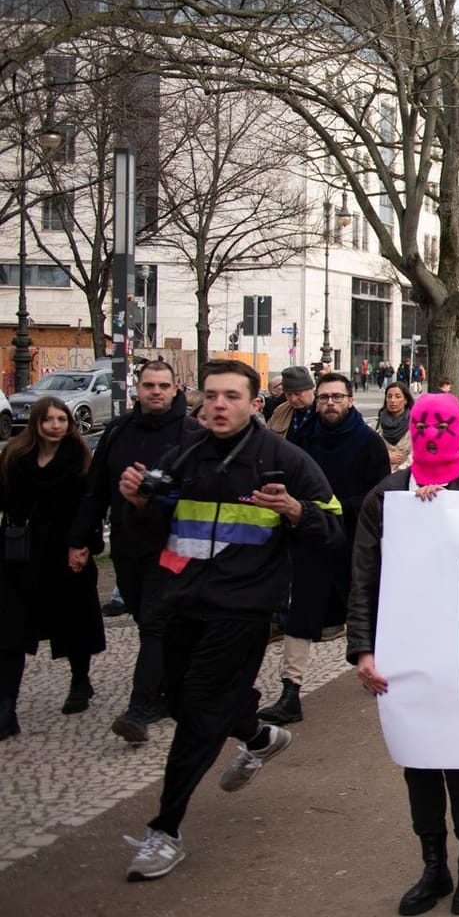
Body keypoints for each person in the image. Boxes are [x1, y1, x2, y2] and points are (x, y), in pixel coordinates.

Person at [119, 359, 344, 882]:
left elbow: (333, 530)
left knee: (197, 713)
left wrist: (294, 511)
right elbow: (154, 526)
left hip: (244, 610)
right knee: (175, 701)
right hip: (180, 601)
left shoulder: (284, 460)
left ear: (253, 403)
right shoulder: (185, 458)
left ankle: (165, 830)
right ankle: (258, 737)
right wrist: (136, 503)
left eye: (231, 397)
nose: (219, 405)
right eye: (211, 396)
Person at [349, 394, 459, 916]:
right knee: (417, 760)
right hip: (404, 648)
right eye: (425, 424)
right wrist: (363, 649)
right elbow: (364, 578)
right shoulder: (385, 497)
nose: (435, 433)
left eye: (445, 424)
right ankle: (433, 863)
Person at [69, 359, 198, 743]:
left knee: (157, 621)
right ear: (137, 389)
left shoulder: (192, 433)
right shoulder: (118, 431)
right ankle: (167, 689)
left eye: (163, 385)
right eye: (148, 385)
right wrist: (79, 540)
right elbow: (94, 490)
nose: (156, 392)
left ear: (175, 389)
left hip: (173, 545)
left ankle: (140, 708)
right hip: (127, 545)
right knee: (147, 620)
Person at [260, 372, 392, 726]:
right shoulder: (303, 438)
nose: (330, 403)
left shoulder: (369, 443)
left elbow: (378, 495)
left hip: (355, 540)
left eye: (337, 397)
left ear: (350, 400)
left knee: (365, 606)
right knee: (301, 612)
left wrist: (337, 507)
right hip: (313, 536)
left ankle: (378, 668)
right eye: (324, 398)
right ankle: (290, 691)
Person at [1, 398, 105, 740]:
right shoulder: (15, 458)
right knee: (11, 631)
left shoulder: (79, 462)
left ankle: (80, 681)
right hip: (22, 556)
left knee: (74, 621)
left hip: (66, 552)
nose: (56, 425)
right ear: (36, 423)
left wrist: (86, 545)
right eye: (49, 419)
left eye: (62, 419)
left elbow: (90, 506)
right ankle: (6, 708)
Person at [266, 366, 316, 439]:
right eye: (289, 394)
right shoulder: (280, 411)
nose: (293, 399)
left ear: (311, 389)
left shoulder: (324, 410)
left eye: (297, 394)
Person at [375, 382, 414, 471]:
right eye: (389, 396)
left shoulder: (415, 425)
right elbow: (367, 453)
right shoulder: (376, 426)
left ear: (405, 400)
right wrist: (384, 456)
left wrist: (396, 476)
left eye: (397, 396)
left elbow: (416, 456)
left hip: (404, 478)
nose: (392, 400)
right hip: (380, 477)